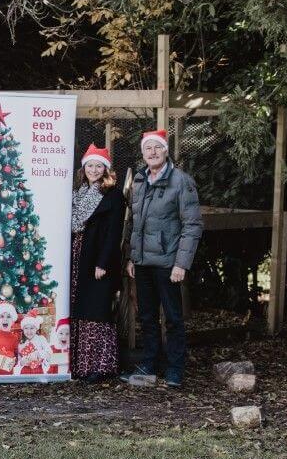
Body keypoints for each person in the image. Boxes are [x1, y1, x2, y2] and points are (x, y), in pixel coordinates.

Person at [122, 129, 203, 388]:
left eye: (157, 148)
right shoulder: (138, 181)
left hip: (168, 263)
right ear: (143, 153)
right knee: (146, 316)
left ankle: (175, 368)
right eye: (148, 148)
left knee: (173, 318)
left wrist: (181, 263)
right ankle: (149, 362)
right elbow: (134, 222)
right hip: (143, 262)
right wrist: (132, 257)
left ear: (166, 151)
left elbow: (192, 225)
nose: (153, 152)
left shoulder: (181, 181)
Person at [69, 144, 124, 383]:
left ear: (106, 170)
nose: (93, 169)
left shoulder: (112, 195)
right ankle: (80, 365)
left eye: (98, 166)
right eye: (89, 165)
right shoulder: (78, 193)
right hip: (78, 258)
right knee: (80, 309)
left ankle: (101, 365)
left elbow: (114, 233)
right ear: (84, 168)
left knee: (97, 310)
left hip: (98, 260)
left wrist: (103, 262)